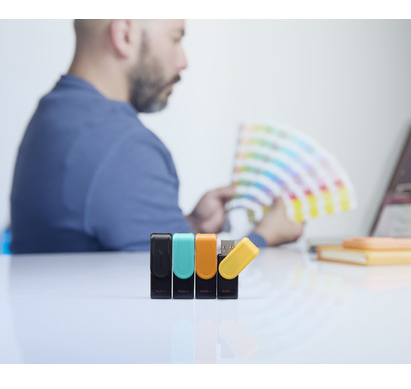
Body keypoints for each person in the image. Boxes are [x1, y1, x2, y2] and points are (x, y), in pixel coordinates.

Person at [10, 19, 303, 253]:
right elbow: (192, 283)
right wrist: (264, 237)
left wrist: (191, 225)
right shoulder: (122, 147)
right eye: (176, 38)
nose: (183, 61)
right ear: (124, 35)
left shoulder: (53, 114)